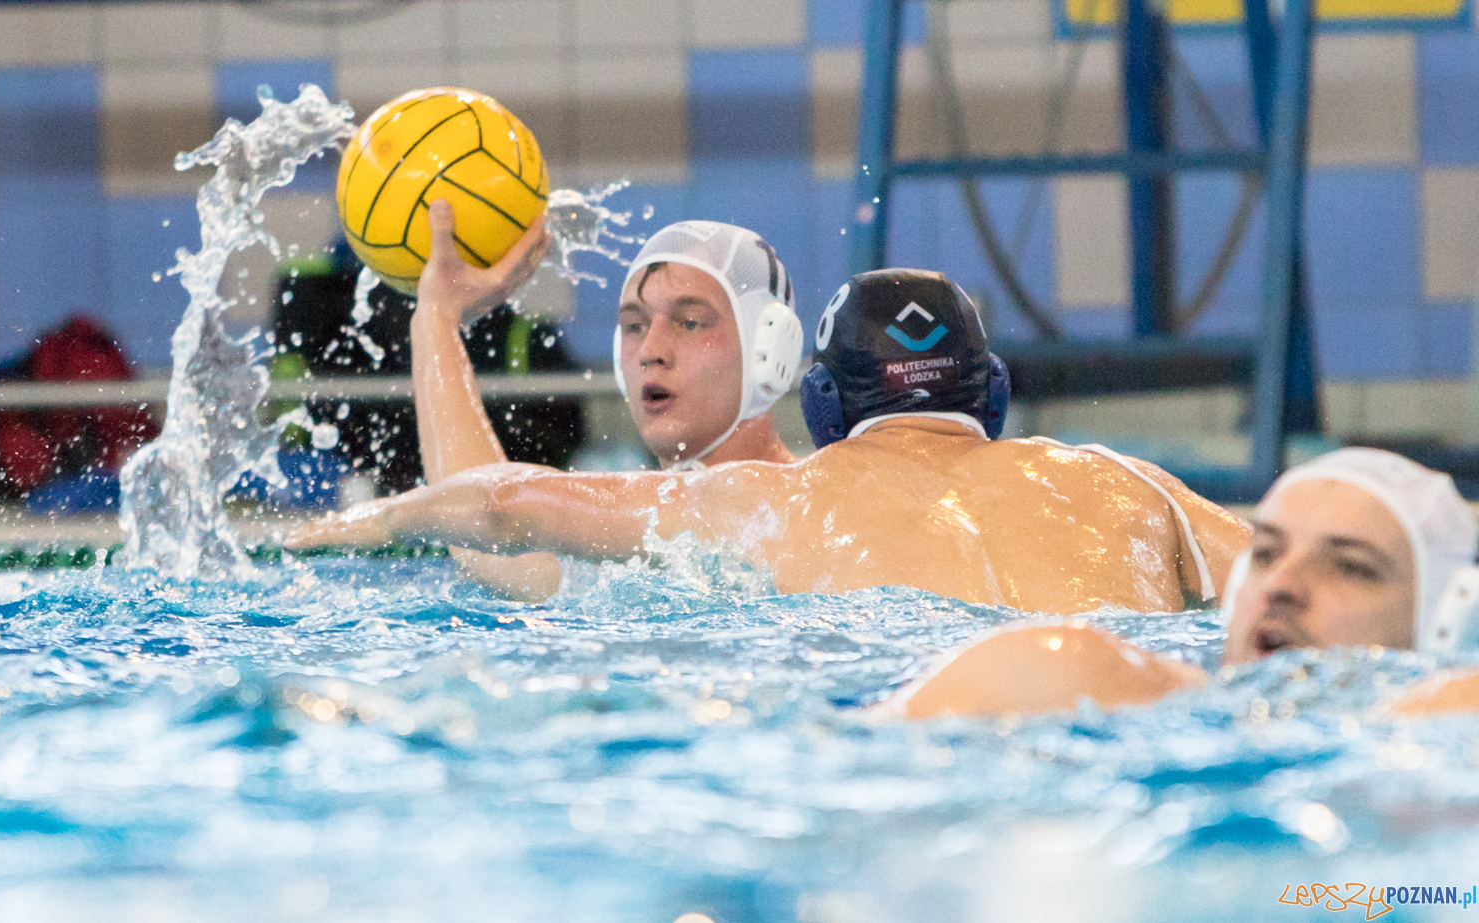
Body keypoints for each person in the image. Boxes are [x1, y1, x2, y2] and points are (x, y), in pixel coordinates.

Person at [290, 269, 1252, 614]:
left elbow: (505, 501)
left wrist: (356, 524)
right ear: (993, 394)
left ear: (822, 403)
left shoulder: (768, 501)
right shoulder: (1128, 482)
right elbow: (1289, 561)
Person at [400, 202, 806, 599]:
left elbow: (499, 510)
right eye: (634, 326)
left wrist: (362, 523)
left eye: (689, 322)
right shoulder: (624, 549)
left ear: (769, 347)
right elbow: (491, 539)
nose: (650, 350)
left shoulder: (814, 516)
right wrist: (436, 315)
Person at [892, 447, 1479, 720]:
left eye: (1348, 567)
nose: (1281, 585)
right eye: (1265, 554)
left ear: (1445, 620)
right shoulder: (1078, 677)